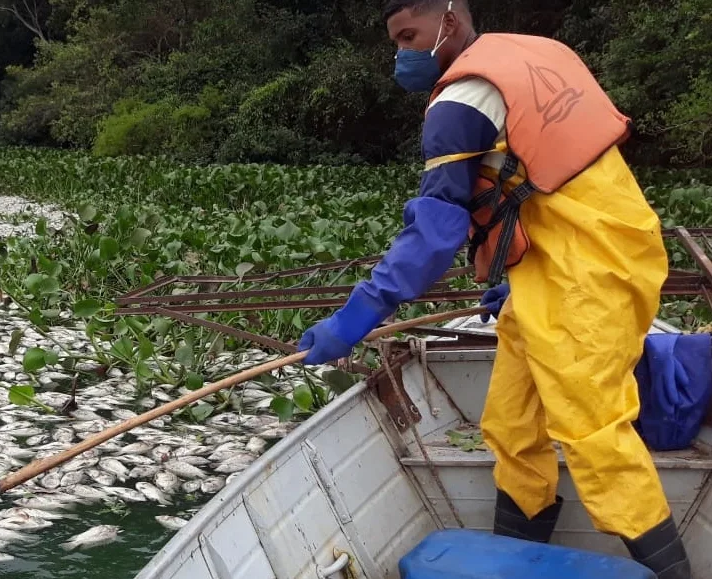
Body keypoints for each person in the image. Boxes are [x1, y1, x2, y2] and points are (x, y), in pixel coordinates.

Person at [295, 1, 690, 577]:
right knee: (511, 422)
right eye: (395, 40)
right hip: (599, 250)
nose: (402, 53)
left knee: (592, 431)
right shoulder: (536, 53)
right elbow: (552, 177)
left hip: (587, 275)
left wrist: (359, 314)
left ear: (448, 22)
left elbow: (434, 231)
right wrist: (521, 279)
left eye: (410, 35)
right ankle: (515, 559)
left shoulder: (459, 102)